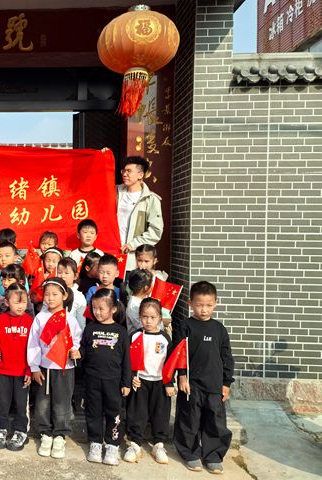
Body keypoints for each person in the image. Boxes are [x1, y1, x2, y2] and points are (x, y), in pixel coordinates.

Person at [173, 281, 234, 475]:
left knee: (215, 422)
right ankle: (190, 453)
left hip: (214, 385)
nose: (204, 309)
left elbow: (227, 357)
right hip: (191, 385)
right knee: (189, 420)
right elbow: (179, 354)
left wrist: (226, 383)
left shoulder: (219, 329)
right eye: (199, 305)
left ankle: (213, 456)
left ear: (216, 303)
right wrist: (182, 377)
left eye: (209, 305)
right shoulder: (185, 326)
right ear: (190, 303)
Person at [71, 288, 129, 466]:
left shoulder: (121, 331)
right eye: (94, 308)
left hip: (114, 381)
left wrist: (126, 382)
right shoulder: (90, 328)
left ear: (113, 309)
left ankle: (112, 445)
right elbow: (83, 350)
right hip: (92, 380)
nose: (97, 312)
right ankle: (95, 443)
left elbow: (126, 360)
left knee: (114, 413)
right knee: (93, 412)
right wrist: (78, 354)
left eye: (101, 308)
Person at [27, 278, 82, 459]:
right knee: (42, 403)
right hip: (44, 367)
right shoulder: (40, 318)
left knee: (62, 402)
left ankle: (60, 434)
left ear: (64, 296)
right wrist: (34, 367)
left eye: (55, 294)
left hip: (64, 367)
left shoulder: (70, 319)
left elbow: (76, 340)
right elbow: (33, 343)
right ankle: (45, 433)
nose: (50, 298)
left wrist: (75, 351)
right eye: (47, 294)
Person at [125, 298, 175, 465]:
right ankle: (135, 444)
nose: (148, 321)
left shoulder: (165, 338)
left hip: (160, 382)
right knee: (137, 413)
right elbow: (128, 360)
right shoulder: (135, 336)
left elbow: (170, 363)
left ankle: (159, 444)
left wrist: (169, 383)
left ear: (160, 318)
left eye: (153, 317)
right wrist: (132, 376)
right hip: (140, 381)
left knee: (160, 413)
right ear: (139, 317)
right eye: (145, 317)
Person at [0, 284, 33, 451]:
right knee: (2, 402)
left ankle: (21, 431)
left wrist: (30, 370)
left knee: (21, 404)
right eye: (16, 302)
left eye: (24, 302)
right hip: (3, 370)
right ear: (7, 302)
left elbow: (34, 349)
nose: (21, 306)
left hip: (23, 371)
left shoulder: (30, 321)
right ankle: (0, 430)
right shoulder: (0, 320)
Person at [116, 156, 164, 271]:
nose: (125, 174)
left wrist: (133, 244)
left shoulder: (150, 199)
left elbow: (155, 231)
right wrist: (103, 158)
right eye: (123, 171)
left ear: (140, 175)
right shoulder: (115, 192)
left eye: (129, 171)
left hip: (132, 256)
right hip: (111, 253)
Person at [55, 257, 87, 331]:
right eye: (59, 272)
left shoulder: (79, 297)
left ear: (75, 276)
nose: (62, 276)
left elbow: (81, 322)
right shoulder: (52, 292)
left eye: (66, 273)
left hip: (71, 333)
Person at [125, 269, 154, 334]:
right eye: (151, 282)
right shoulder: (134, 306)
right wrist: (161, 321)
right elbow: (143, 326)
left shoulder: (143, 300)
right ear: (146, 287)